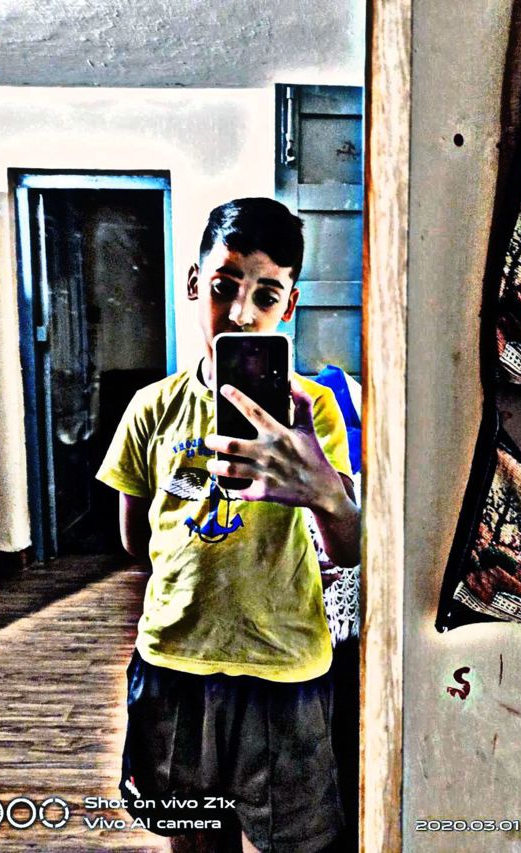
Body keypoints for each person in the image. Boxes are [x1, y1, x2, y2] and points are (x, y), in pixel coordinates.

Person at [96, 197, 361, 853]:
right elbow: (134, 541)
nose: (241, 312)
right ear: (195, 284)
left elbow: (350, 549)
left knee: (299, 841)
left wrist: (327, 495)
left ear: (289, 305)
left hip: (284, 664)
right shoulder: (150, 408)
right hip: (175, 660)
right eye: (224, 286)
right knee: (194, 837)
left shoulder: (313, 411)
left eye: (265, 295)